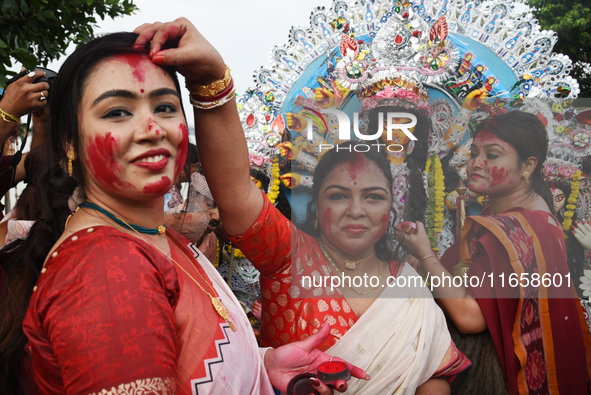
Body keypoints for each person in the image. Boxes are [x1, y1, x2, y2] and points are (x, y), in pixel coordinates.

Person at [19, 27, 367, 395]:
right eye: (117, 112)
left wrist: (263, 365)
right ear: (69, 143)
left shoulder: (154, 237)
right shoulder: (108, 270)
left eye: (165, 107)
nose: (152, 129)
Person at [146, 19, 471, 395]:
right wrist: (210, 82)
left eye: (373, 197)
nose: (356, 209)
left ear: (390, 210)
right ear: (316, 204)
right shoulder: (289, 253)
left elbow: (433, 379)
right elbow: (235, 191)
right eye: (338, 195)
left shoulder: (409, 280)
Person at [402, 111, 591, 394]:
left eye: (492, 155)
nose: (476, 164)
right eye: (474, 153)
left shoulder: (519, 228)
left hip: (492, 371)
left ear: (527, 165)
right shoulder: (519, 213)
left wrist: (426, 256)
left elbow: (470, 317)